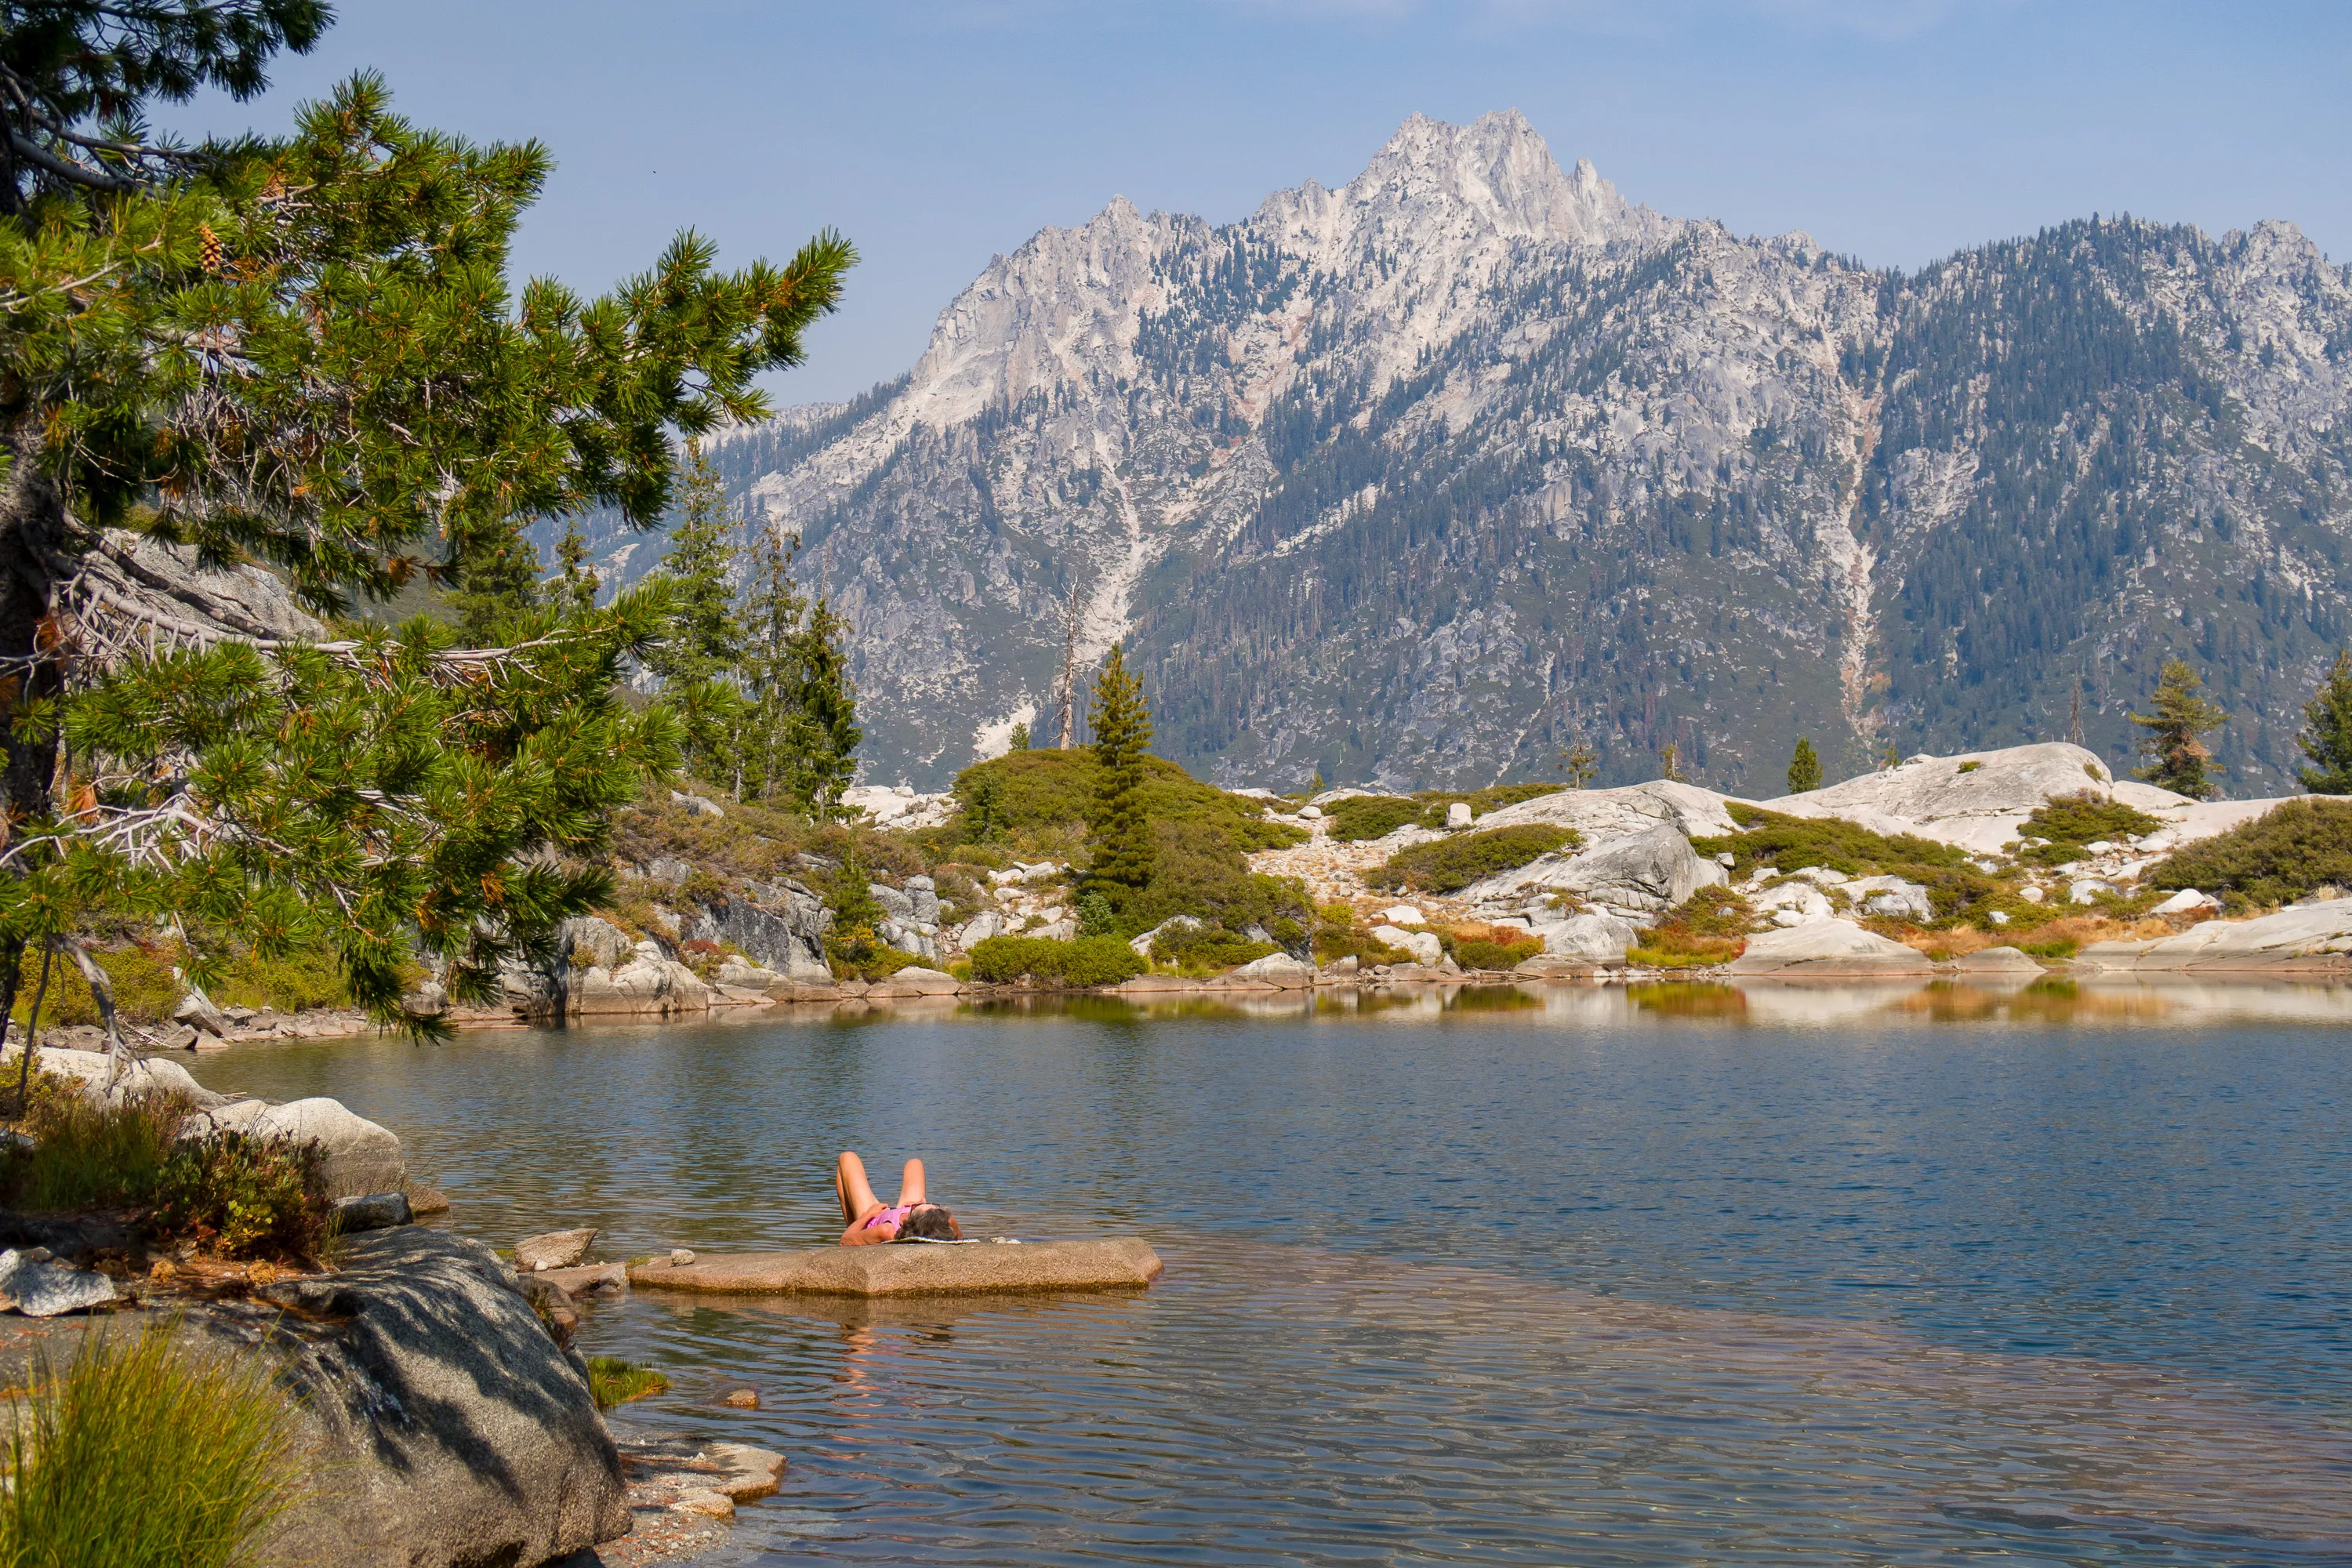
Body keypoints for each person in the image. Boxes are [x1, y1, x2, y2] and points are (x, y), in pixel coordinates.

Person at [833, 1150, 963, 1245]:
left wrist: (866, 1216)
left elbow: (844, 1240)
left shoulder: (887, 1231)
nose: (923, 1200)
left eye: (919, 1205)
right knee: (915, 1164)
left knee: (847, 1158)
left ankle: (855, 1229)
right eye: (932, 1205)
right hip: (905, 1216)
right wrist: (915, 1207)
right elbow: (960, 1240)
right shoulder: (945, 1222)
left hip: (874, 1216)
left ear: (907, 1220)